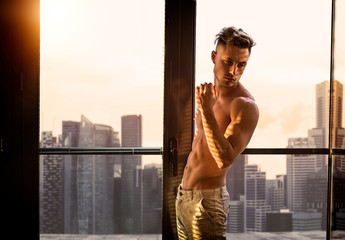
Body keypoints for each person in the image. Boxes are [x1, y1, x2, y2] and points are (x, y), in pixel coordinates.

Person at [175, 26, 259, 239]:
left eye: (241, 65)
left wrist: (205, 108)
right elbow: (202, 145)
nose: (233, 71)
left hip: (208, 203)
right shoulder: (209, 95)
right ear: (214, 57)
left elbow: (224, 159)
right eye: (228, 62)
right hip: (183, 198)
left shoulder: (244, 105)